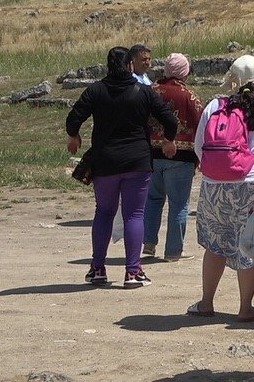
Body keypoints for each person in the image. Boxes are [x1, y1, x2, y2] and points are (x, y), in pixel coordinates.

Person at [66, 46, 178, 288]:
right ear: (130, 65)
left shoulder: (95, 90)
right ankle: (133, 271)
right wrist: (169, 140)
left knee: (104, 212)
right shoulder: (144, 92)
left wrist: (74, 135)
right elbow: (169, 119)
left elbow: (73, 117)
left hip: (105, 161)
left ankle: (97, 268)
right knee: (134, 214)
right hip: (137, 160)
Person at [187, 55, 254, 321]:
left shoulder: (214, 105)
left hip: (214, 184)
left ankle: (206, 302)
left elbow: (199, 145)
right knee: (249, 244)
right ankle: (245, 308)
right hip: (252, 182)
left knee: (215, 243)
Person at [143, 53, 204, 262]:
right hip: (181, 158)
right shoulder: (190, 97)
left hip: (151, 156)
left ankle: (148, 243)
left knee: (152, 200)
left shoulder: (150, 92)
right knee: (179, 205)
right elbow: (200, 126)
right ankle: (173, 251)